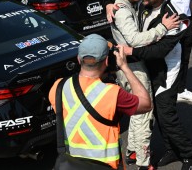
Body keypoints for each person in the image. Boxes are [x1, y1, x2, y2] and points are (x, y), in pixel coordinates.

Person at [122, 0, 192, 170]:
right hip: (150, 68)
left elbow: (158, 51)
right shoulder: (144, 3)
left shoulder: (174, 19)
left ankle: (190, 157)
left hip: (167, 73)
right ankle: (171, 150)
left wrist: (131, 51)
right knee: (158, 114)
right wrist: (109, 3)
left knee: (167, 116)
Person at [48, 34, 152, 170]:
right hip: (105, 166)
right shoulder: (113, 93)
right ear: (107, 61)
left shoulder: (58, 87)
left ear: (79, 59)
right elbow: (145, 104)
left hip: (71, 164)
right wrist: (125, 67)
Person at [112, 0, 180, 169]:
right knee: (144, 111)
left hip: (128, 65)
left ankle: (133, 152)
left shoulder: (121, 3)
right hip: (132, 66)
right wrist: (163, 28)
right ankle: (143, 161)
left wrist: (108, 2)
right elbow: (134, 40)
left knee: (136, 110)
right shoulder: (123, 10)